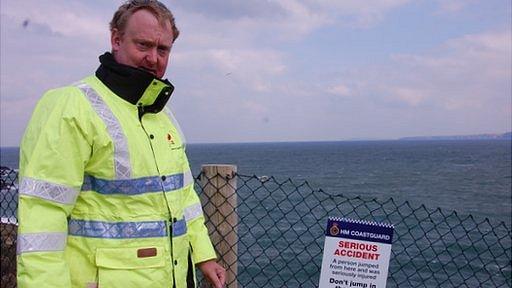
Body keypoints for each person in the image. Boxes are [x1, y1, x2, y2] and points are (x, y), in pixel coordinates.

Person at [16, 1, 226, 287]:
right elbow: (43, 216)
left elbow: (184, 196)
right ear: (116, 40)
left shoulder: (161, 115)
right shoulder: (71, 106)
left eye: (162, 49)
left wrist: (203, 255)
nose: (153, 58)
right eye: (143, 45)